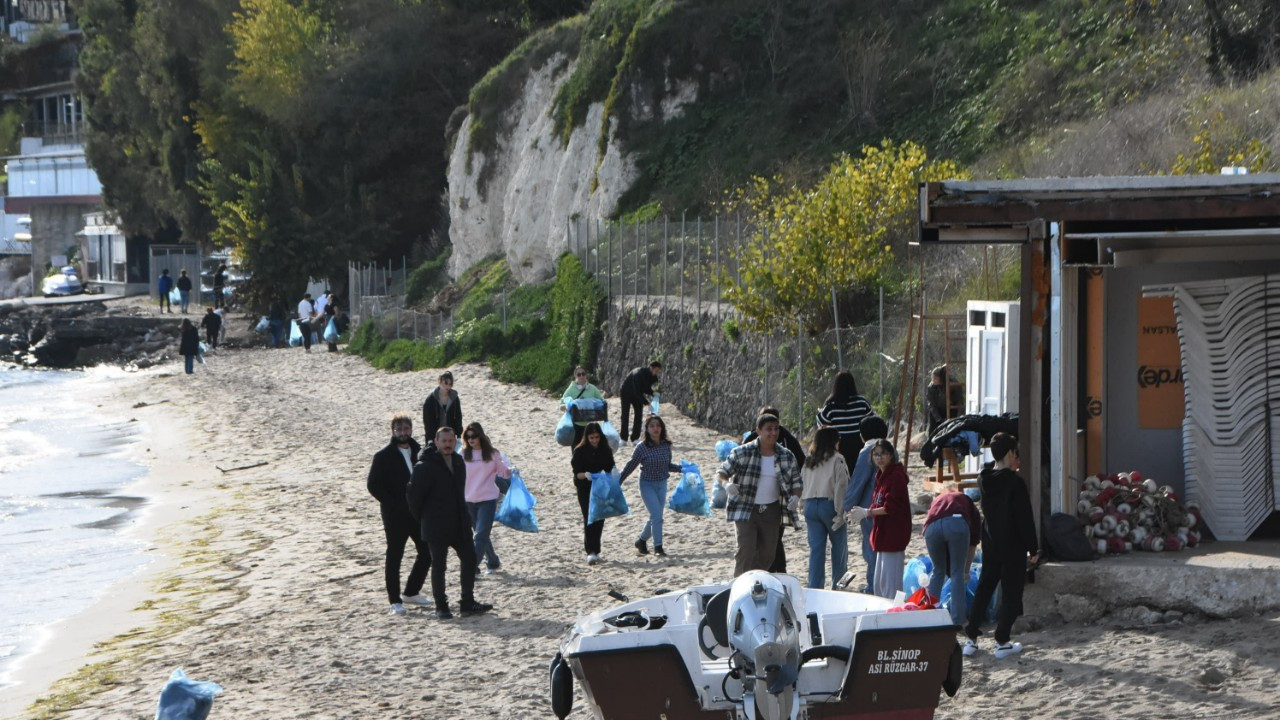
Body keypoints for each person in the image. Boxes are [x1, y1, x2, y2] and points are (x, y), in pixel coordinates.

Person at [963, 432, 1039, 660]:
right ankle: (1002, 640)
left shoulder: (983, 479)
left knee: (985, 587)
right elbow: (1024, 518)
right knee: (1012, 592)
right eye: (1016, 454)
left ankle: (971, 638)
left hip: (991, 542)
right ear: (1009, 454)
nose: (1019, 460)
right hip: (1013, 544)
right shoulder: (1015, 484)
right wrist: (1033, 548)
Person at [406, 427, 493, 620]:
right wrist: (425, 519)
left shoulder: (459, 461)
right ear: (436, 442)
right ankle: (441, 606)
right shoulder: (424, 466)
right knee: (439, 566)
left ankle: (467, 602)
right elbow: (413, 499)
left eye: (450, 441)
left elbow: (460, 492)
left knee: (469, 559)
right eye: (444, 441)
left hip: (459, 522)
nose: (447, 445)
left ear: (455, 442)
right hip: (435, 525)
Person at [717, 413, 803, 576]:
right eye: (768, 429)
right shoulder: (742, 452)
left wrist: (796, 497)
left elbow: (797, 482)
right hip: (745, 508)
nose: (773, 433)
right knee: (746, 550)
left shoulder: (786, 455)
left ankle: (756, 579)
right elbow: (722, 472)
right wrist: (726, 484)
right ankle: (740, 584)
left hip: (772, 509)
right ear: (758, 431)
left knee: (768, 554)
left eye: (776, 429)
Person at [366, 414, 432, 615]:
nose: (403, 433)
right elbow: (373, 485)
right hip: (395, 515)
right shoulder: (383, 456)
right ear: (393, 431)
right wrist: (393, 503)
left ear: (411, 429)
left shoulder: (421, 452)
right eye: (399, 429)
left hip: (417, 512)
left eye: (406, 429)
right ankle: (394, 600)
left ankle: (411, 592)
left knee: (427, 552)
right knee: (395, 555)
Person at [742, 405, 805, 574]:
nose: (772, 432)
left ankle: (779, 571)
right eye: (766, 426)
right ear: (759, 426)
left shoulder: (787, 441)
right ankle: (758, 572)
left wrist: (795, 492)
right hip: (753, 501)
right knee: (752, 542)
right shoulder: (751, 440)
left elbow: (801, 462)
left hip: (779, 499)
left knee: (774, 539)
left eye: (774, 426)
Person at [620, 415, 681, 557]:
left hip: (662, 483)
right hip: (647, 484)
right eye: (652, 426)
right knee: (657, 516)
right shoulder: (641, 447)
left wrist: (681, 469)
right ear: (647, 429)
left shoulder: (666, 445)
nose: (655, 429)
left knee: (656, 515)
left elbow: (667, 466)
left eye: (658, 426)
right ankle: (658, 548)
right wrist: (619, 481)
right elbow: (631, 466)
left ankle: (641, 541)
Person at [858, 439, 910, 599]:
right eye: (876, 454)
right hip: (882, 535)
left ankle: (895, 619)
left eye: (884, 454)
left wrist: (867, 512)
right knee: (880, 584)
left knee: (891, 587)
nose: (879, 458)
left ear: (891, 456)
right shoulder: (881, 475)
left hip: (893, 536)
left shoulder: (896, 476)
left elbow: (890, 507)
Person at [923, 489, 982, 627]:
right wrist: (966, 571)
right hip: (956, 523)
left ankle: (930, 616)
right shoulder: (970, 506)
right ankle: (959, 620)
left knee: (938, 571)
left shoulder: (938, 500)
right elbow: (972, 545)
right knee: (957, 573)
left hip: (931, 527)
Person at [844, 415, 888, 593]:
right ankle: (882, 586)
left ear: (863, 435)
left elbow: (858, 482)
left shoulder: (868, 451)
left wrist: (846, 508)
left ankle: (872, 587)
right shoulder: (890, 450)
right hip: (886, 504)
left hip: (868, 507)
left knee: (871, 548)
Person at [801, 427, 849, 589]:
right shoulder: (837, 458)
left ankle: (814, 587)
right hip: (828, 504)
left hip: (809, 504)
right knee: (839, 547)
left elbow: (803, 482)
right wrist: (840, 511)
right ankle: (839, 586)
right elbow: (841, 485)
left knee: (816, 550)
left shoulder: (809, 460)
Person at [461, 422, 510, 575]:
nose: (471, 439)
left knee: (481, 534)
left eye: (474, 436)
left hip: (488, 499)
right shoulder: (462, 454)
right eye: (468, 436)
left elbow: (503, 472)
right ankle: (493, 561)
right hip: (468, 500)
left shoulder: (492, 454)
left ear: (480, 436)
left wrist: (511, 472)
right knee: (479, 533)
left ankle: (471, 567)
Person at [571, 421, 615, 565]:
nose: (595, 440)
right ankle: (590, 551)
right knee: (589, 517)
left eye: (597, 437)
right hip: (584, 487)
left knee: (600, 518)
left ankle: (596, 549)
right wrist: (586, 475)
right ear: (587, 438)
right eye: (592, 438)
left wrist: (613, 472)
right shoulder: (579, 451)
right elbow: (576, 474)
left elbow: (610, 466)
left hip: (601, 487)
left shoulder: (605, 449)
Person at [816, 370, 873, 471]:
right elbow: (872, 421)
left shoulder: (831, 407)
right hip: (860, 448)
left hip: (838, 449)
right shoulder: (862, 403)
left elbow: (821, 424)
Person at [619, 361, 663, 443]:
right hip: (626, 393)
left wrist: (655, 393)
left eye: (658, 372)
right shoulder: (638, 373)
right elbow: (637, 391)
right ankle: (623, 438)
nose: (657, 373)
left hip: (638, 394)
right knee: (625, 415)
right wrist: (646, 403)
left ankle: (635, 438)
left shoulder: (654, 377)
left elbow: (648, 389)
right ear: (651, 368)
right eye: (656, 371)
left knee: (638, 415)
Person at [562, 366, 606, 447]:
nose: (581, 376)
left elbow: (602, 401)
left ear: (586, 375)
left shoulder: (592, 388)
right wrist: (566, 406)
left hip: (590, 423)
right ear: (575, 376)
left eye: (583, 374)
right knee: (576, 448)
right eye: (579, 374)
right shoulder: (571, 389)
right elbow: (562, 402)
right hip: (576, 423)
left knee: (589, 448)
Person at [422, 371, 463, 444]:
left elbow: (458, 417)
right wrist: (430, 438)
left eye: (450, 384)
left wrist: (459, 435)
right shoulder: (430, 399)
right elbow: (427, 421)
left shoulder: (454, 398)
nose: (448, 386)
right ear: (440, 382)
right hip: (436, 436)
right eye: (446, 383)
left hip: (450, 435)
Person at [926, 365, 965, 438]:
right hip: (938, 411)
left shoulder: (953, 383)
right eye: (932, 378)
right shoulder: (931, 387)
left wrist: (959, 418)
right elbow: (932, 404)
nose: (933, 380)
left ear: (941, 378)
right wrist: (939, 419)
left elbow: (960, 400)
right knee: (933, 425)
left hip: (952, 409)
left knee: (953, 429)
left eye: (935, 378)